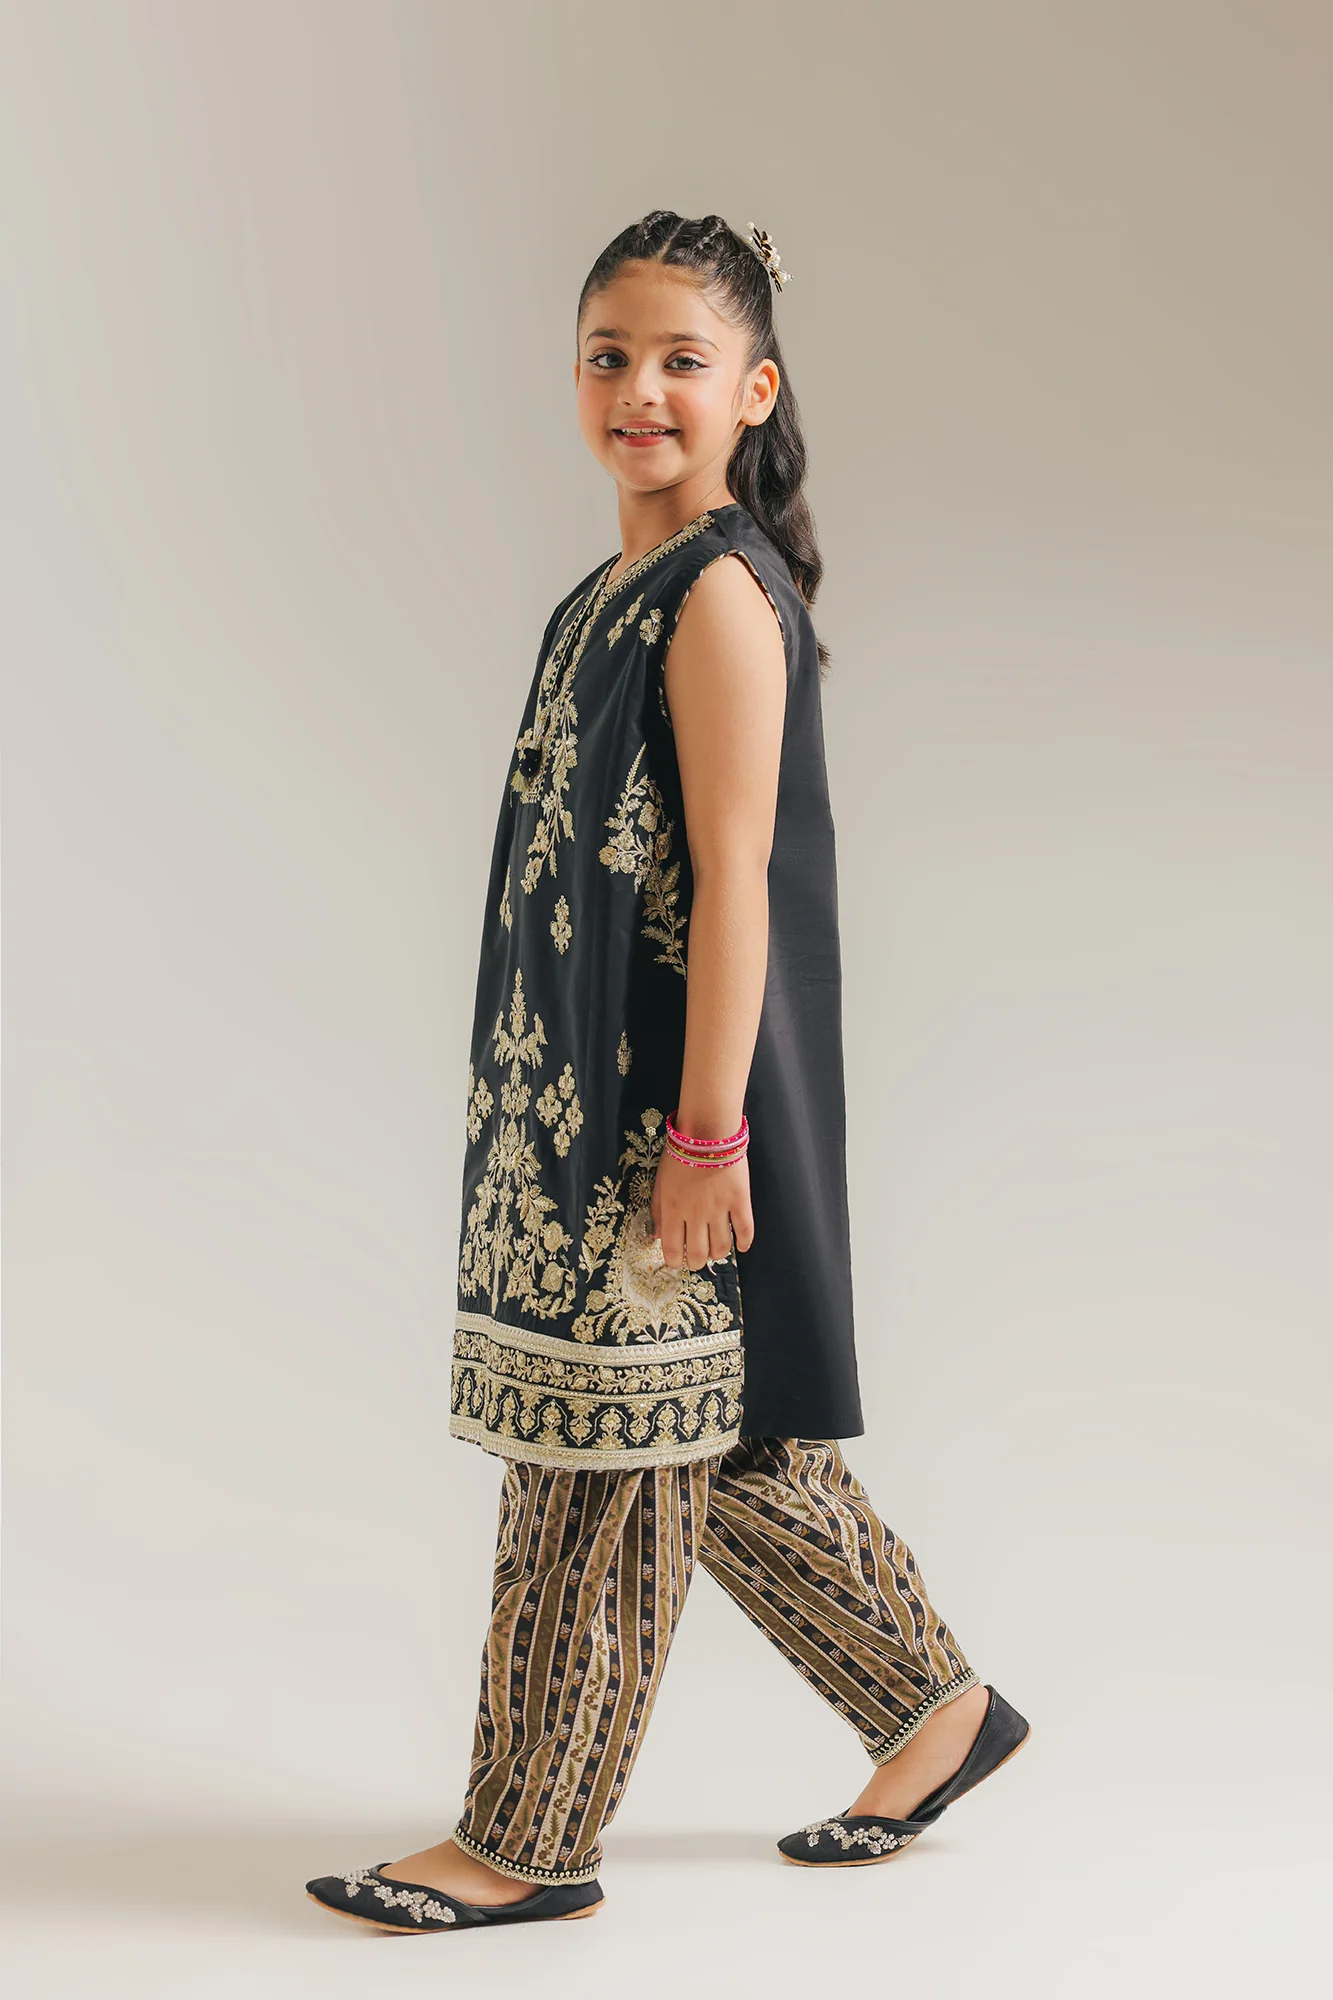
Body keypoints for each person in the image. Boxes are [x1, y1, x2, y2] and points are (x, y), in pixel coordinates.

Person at [306, 211, 1029, 1937]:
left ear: (755, 390)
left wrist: (706, 1137)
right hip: (579, 1103)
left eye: (683, 361)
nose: (641, 390)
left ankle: (524, 1837)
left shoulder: (715, 596)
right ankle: (932, 1712)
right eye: (609, 357)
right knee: (726, 1438)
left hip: (665, 1115)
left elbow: (735, 883)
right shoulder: (607, 597)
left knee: (610, 1450)